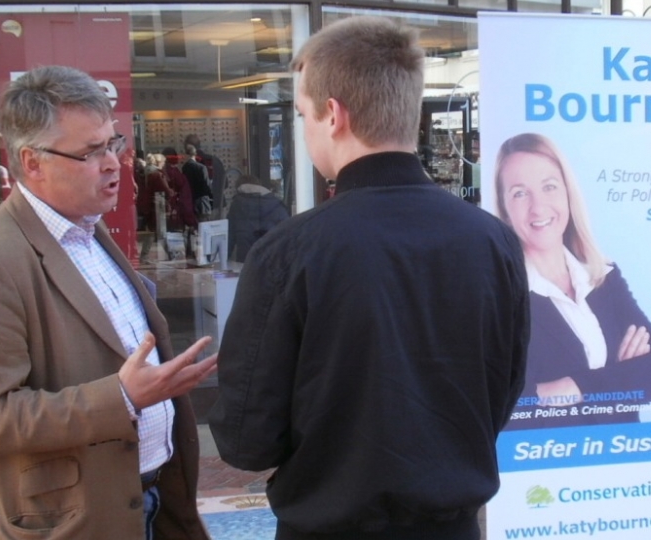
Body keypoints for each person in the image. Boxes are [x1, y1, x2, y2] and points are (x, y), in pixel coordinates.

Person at [209, 17, 529, 540]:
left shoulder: (289, 252)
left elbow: (247, 440)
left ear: (333, 114)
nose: (305, 128)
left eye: (302, 115)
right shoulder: (493, 240)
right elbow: (501, 393)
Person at [0, 65, 217, 540]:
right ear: (32, 162)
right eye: (91, 153)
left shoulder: (89, 229)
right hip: (71, 523)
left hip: (148, 503)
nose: (113, 163)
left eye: (113, 144)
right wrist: (124, 397)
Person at [493, 132, 651, 430]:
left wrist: (571, 386)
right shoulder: (499, 293)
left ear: (568, 193)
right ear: (504, 207)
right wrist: (619, 376)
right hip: (545, 466)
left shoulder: (603, 276)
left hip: (621, 460)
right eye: (519, 193)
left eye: (549, 187)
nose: (538, 208)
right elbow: (511, 405)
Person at [226, 174, 289, 262]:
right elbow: (287, 237)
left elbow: (229, 237)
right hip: (272, 262)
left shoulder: (236, 206)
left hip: (245, 262)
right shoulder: (277, 205)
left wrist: (222, 261)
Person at [183, 135, 226, 217]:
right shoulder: (215, 160)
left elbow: (188, 191)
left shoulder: (190, 166)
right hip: (220, 206)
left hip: (202, 211)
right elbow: (225, 184)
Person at [182, 144, 212, 219]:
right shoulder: (202, 167)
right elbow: (207, 185)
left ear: (186, 154)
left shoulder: (184, 168)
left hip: (191, 201)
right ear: (195, 154)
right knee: (204, 225)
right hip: (202, 201)